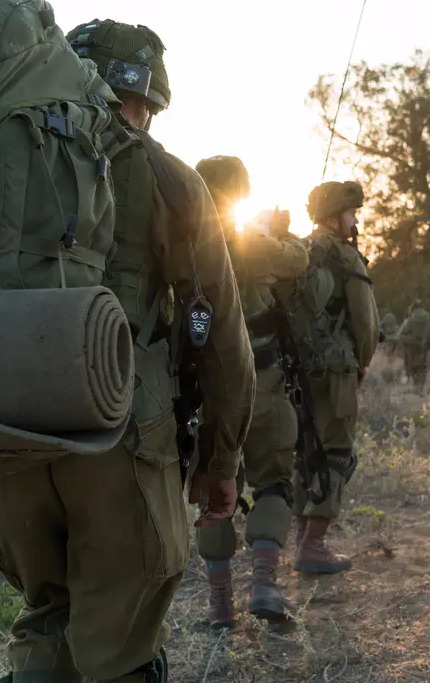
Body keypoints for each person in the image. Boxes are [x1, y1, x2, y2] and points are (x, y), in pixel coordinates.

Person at [0, 19, 256, 683]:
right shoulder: (168, 179)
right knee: (121, 645)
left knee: (46, 613)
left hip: (8, 435)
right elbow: (222, 337)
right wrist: (221, 460)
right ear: (147, 100)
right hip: (120, 435)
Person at [193, 156, 307, 629]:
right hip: (263, 384)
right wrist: (276, 231)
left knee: (212, 493)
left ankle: (220, 604)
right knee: (274, 482)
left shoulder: (184, 245)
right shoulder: (251, 243)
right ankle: (264, 584)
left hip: (205, 396)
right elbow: (298, 259)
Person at [289, 181, 379, 574]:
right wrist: (362, 360)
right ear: (333, 215)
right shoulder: (346, 256)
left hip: (297, 367)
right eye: (351, 213)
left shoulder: (295, 252)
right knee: (337, 451)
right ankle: (314, 544)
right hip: (336, 367)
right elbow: (366, 320)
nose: (355, 220)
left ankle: (301, 537)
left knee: (306, 450)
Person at [396, 300, 430, 394]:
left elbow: (405, 330)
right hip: (425, 345)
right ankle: (421, 386)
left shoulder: (412, 317)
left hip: (413, 345)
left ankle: (416, 385)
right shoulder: (428, 315)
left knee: (413, 365)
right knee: (423, 365)